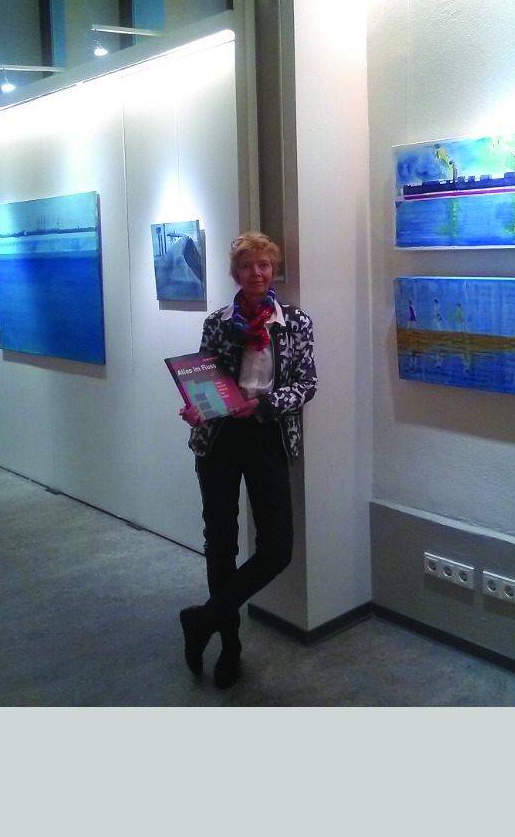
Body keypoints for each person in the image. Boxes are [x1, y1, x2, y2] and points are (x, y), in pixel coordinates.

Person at [177, 232, 317, 688]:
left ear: (273, 270)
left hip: (267, 434)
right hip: (219, 438)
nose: (257, 273)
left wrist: (265, 404)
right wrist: (196, 406)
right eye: (247, 266)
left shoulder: (295, 322)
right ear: (235, 273)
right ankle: (230, 645)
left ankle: (203, 618)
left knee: (277, 549)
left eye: (264, 265)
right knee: (220, 542)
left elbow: (307, 384)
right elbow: (204, 377)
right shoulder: (218, 322)